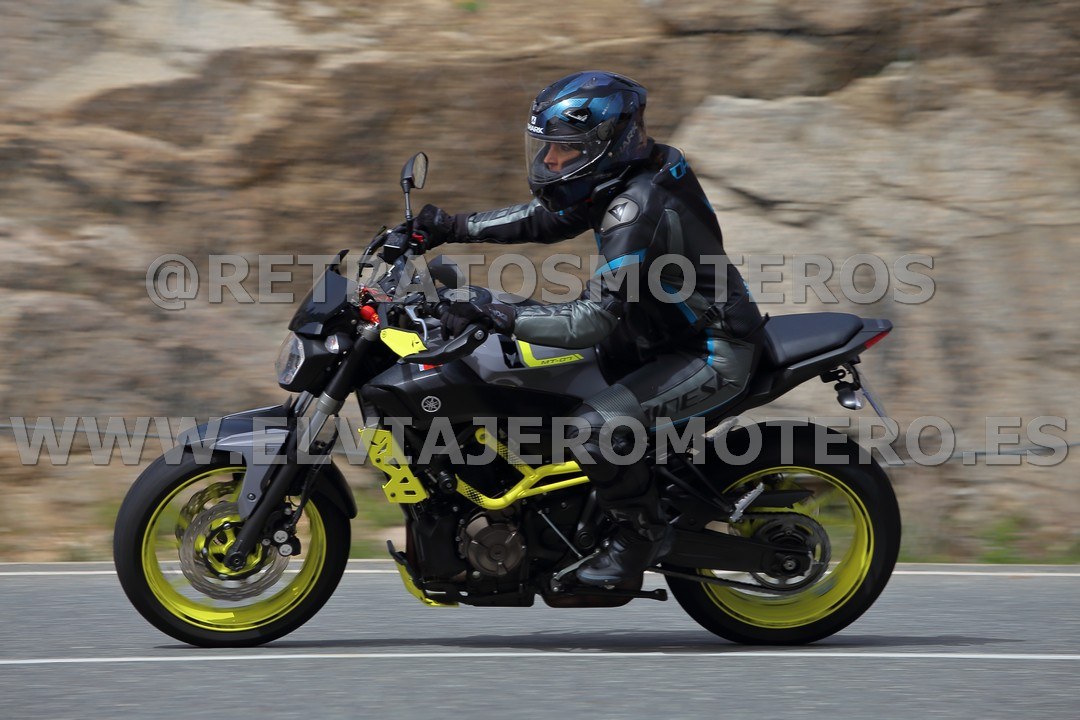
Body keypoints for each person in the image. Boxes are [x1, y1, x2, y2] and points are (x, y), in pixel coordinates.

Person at [403, 70, 763, 587]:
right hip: (650, 337)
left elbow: (590, 321)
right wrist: (450, 226)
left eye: (565, 148)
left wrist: (495, 313)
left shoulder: (637, 209)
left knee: (593, 430)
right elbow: (546, 220)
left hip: (709, 351)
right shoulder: (630, 173)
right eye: (546, 146)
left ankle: (638, 538)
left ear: (607, 144)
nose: (550, 159)